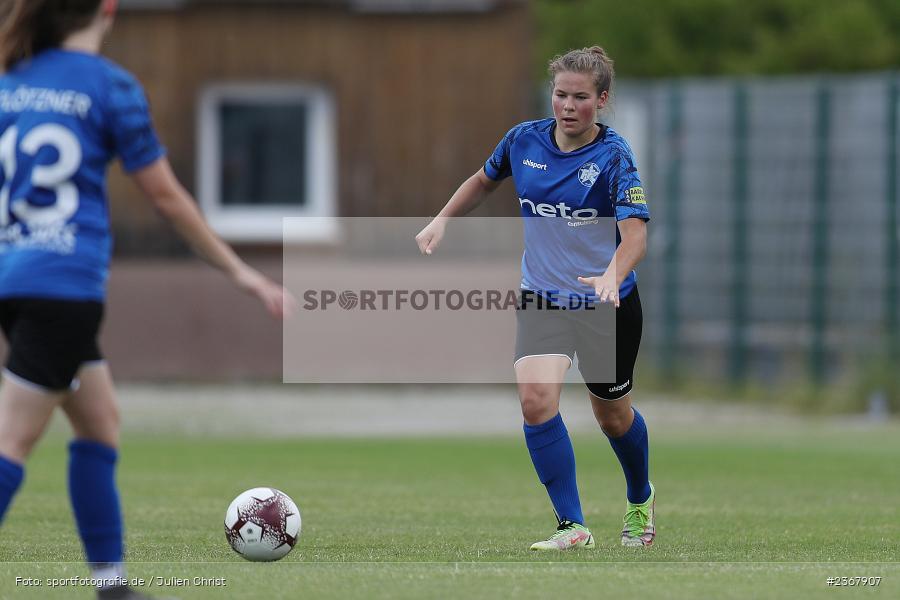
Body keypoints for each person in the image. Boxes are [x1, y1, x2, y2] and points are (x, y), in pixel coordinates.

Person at [0, 1, 293, 598]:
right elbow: (166, 198)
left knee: (100, 424)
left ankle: (112, 585)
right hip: (64, 289)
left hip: (13, 277)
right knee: (12, 439)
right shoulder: (110, 86)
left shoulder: (11, 81)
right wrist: (244, 274)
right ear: (107, 10)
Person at [415, 46, 654, 550]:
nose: (567, 106)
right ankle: (573, 526)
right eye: (560, 94)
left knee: (612, 415)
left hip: (605, 304)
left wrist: (612, 275)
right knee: (535, 399)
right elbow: (483, 180)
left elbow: (634, 235)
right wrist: (442, 219)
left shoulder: (614, 156)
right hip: (543, 295)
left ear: (602, 100)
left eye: (581, 97)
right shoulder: (522, 141)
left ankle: (639, 499)